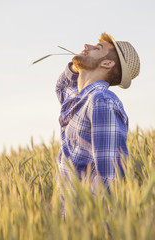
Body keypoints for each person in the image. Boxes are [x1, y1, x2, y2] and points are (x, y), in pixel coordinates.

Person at [55, 33, 140, 195]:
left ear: (107, 63)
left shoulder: (102, 101)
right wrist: (79, 63)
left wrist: (89, 217)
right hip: (69, 216)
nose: (87, 46)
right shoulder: (79, 99)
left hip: (89, 216)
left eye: (97, 48)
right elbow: (63, 86)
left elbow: (110, 177)